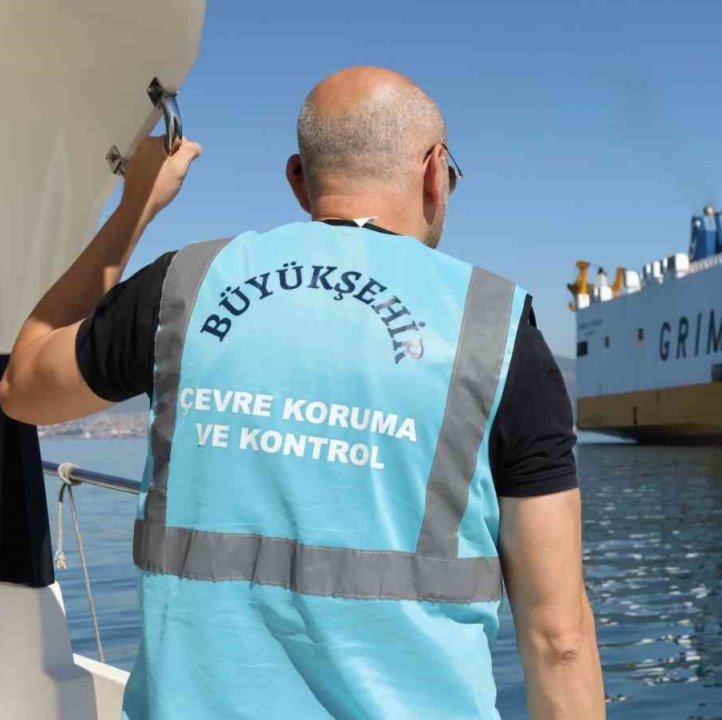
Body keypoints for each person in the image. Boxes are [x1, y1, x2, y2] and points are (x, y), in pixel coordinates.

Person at [0, 66, 605, 720]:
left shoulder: (182, 286)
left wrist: (137, 204)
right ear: (435, 172)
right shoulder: (497, 329)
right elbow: (559, 642)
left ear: (298, 179)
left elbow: (21, 385)